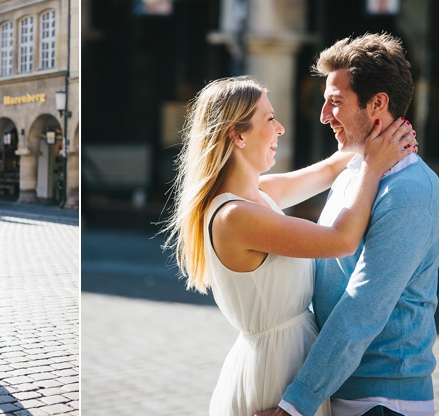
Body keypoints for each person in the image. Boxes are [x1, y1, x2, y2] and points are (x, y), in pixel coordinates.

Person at [163, 73, 416, 416]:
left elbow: (328, 170)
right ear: (236, 135)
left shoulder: (258, 195)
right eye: (269, 118)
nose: (280, 128)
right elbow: (341, 240)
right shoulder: (235, 215)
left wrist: (375, 136)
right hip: (273, 375)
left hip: (288, 362)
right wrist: (373, 168)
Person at [259, 33, 439, 417]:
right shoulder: (357, 169)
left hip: (382, 401)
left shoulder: (409, 191)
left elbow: (362, 309)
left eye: (335, 102)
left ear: (378, 104)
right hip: (344, 390)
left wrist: (295, 404)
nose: (324, 115)